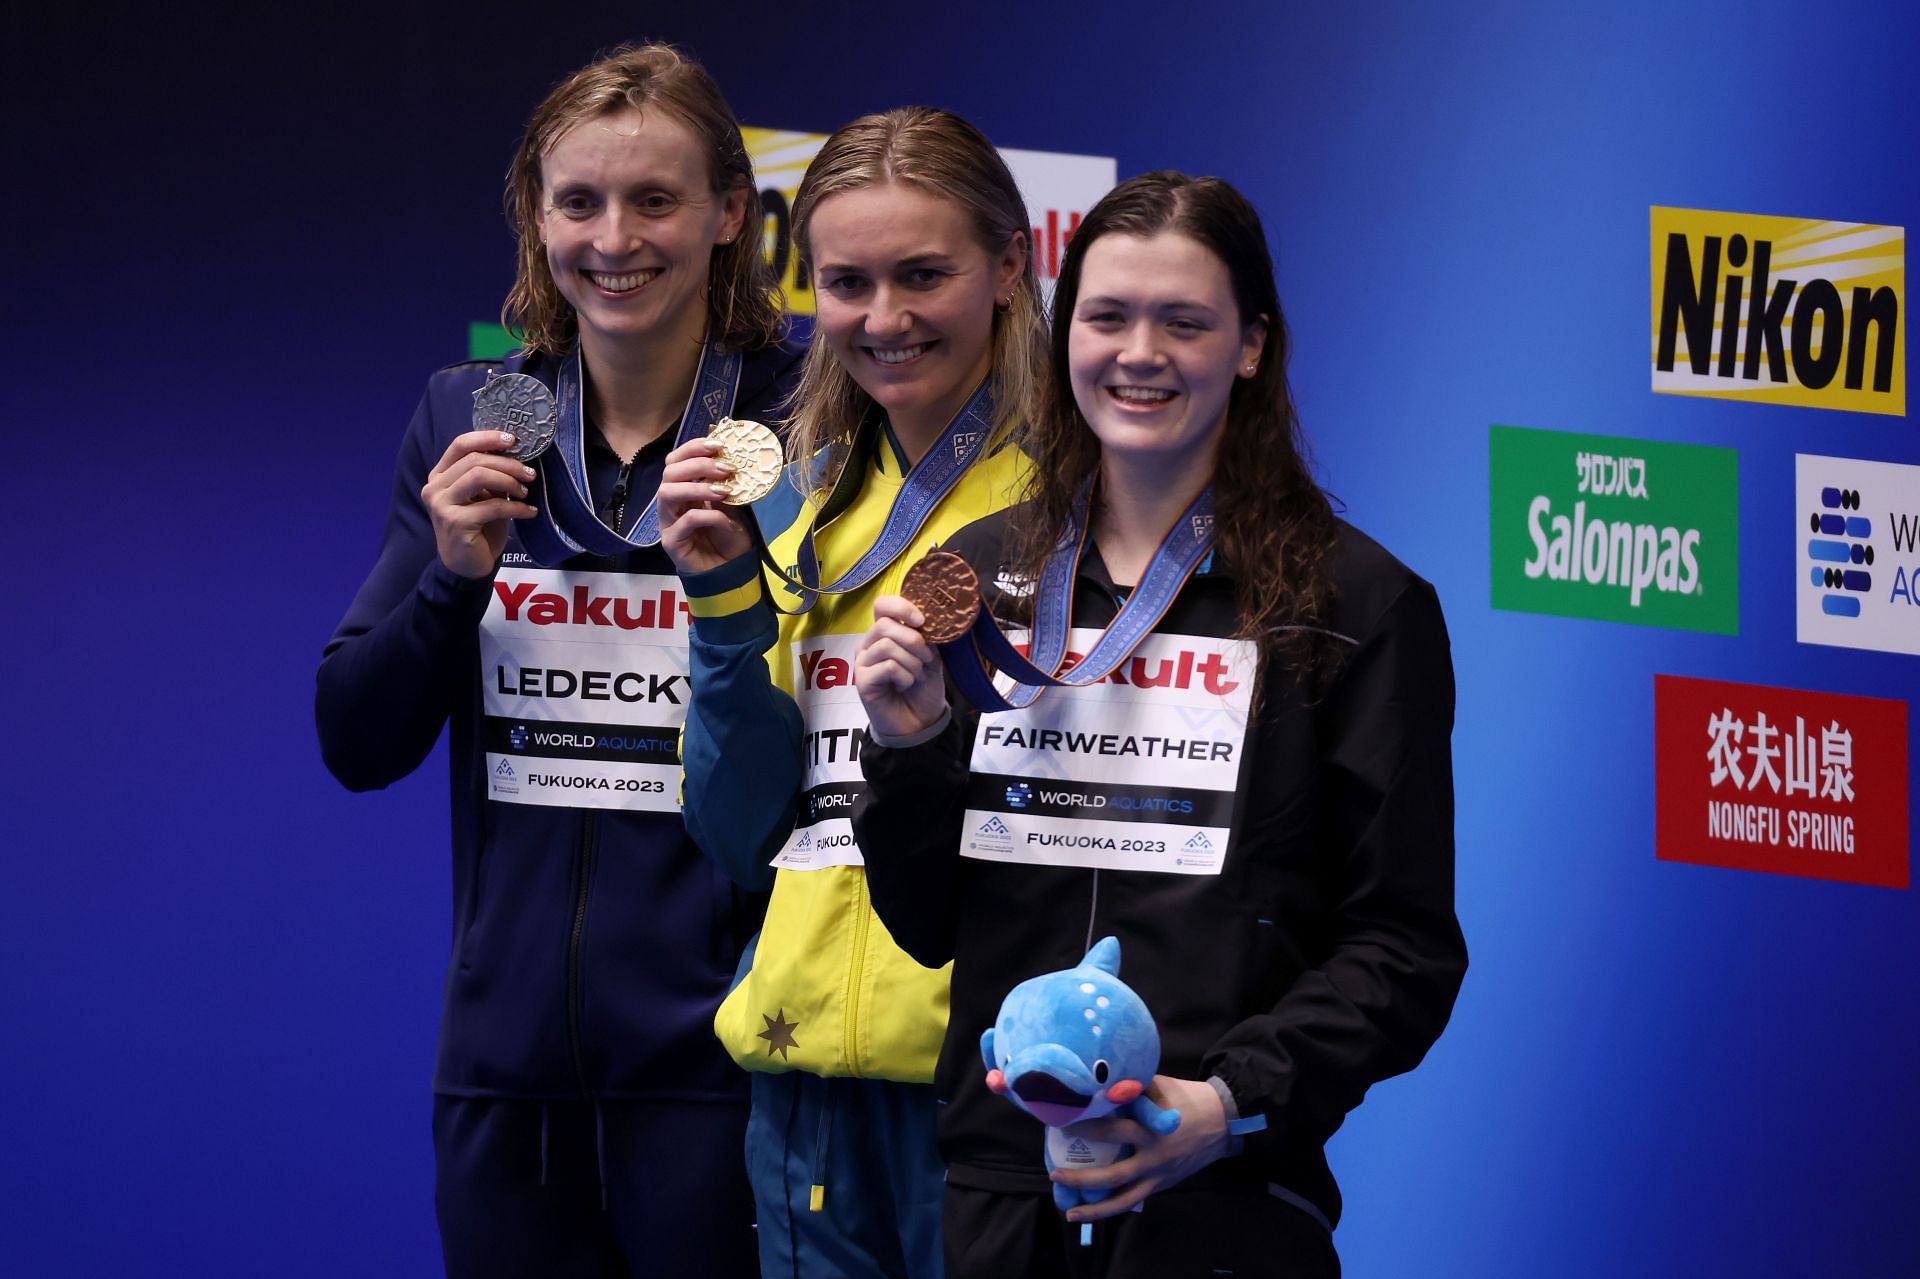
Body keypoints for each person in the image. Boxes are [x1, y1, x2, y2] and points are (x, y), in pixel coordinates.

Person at [849, 171, 1468, 1278]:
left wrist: (1226, 1101)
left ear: (1250, 348)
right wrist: (903, 748)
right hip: (1001, 1187)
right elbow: (926, 921)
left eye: (1185, 322)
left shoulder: (1354, 609)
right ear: (1062, 333)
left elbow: (1404, 948)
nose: (1140, 353)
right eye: (1107, 316)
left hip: (1220, 1193)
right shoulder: (981, 578)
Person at [314, 44, 801, 1278]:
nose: (614, 237)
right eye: (578, 200)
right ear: (538, 213)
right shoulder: (478, 416)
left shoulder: (804, 420)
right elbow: (356, 738)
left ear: (729, 213)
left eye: (655, 199)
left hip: (729, 1059)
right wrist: (453, 575)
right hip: (506, 1073)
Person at [655, 107, 1046, 1278]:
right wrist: (725, 604)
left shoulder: (1089, 500)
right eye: (848, 281)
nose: (885, 318)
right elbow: (737, 832)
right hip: (804, 1060)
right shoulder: (799, 505)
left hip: (992, 1078)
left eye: (923, 275)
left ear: (1010, 266)